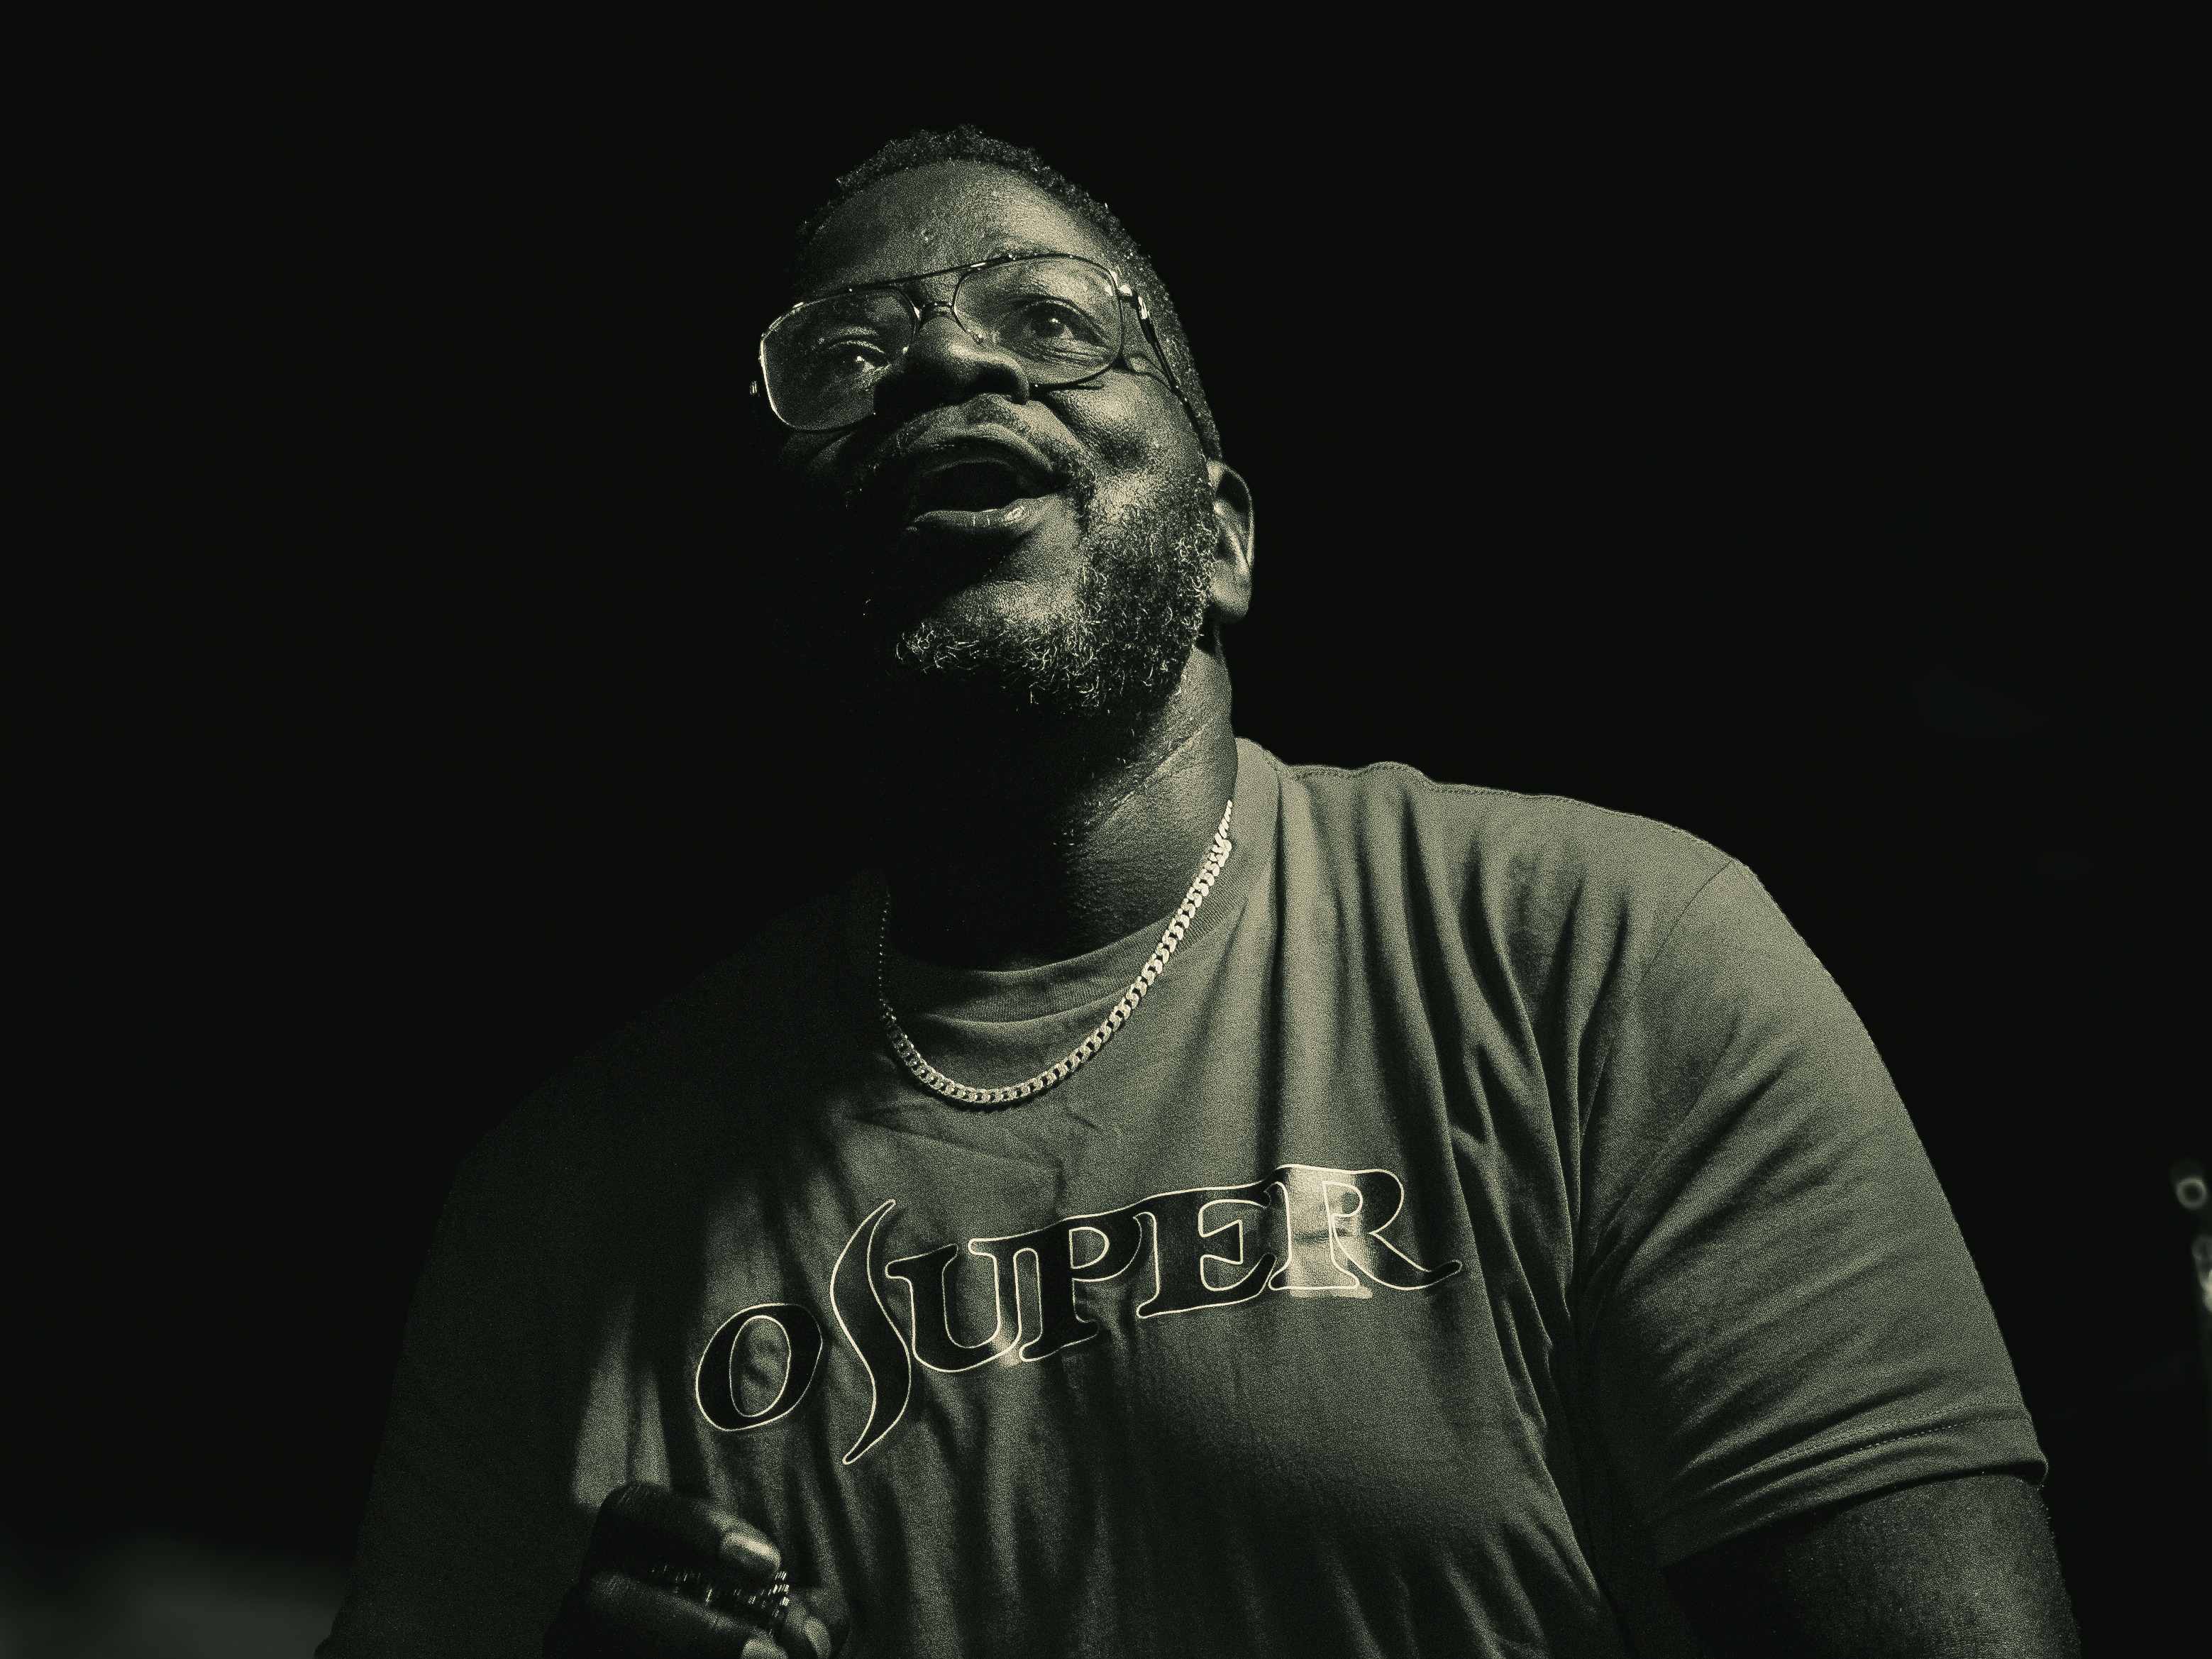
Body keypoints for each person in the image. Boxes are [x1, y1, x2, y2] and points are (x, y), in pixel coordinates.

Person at [320, 127, 2079, 1658]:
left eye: (1050, 321)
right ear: (785, 589)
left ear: (1221, 539)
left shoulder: (1603, 956)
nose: (946, 361)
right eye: (846, 355)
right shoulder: (557, 1210)